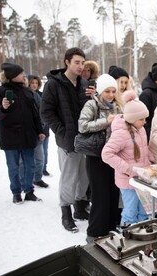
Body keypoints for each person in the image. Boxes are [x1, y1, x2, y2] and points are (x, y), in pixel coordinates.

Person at [41, 47, 92, 233]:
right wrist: (61, 131)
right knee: (69, 177)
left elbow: (88, 109)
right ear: (67, 62)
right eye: (77, 62)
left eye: (83, 63)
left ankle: (79, 208)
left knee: (84, 176)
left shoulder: (84, 83)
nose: (80, 66)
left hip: (84, 140)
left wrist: (93, 98)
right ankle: (66, 213)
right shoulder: (54, 84)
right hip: (67, 141)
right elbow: (46, 111)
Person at [0, 62, 45, 204]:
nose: (24, 75)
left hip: (28, 136)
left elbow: (35, 115)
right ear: (12, 76)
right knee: (14, 167)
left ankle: (29, 191)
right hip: (9, 138)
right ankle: (16, 192)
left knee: (30, 165)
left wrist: (40, 130)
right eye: (21, 73)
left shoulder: (27, 91)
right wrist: (3, 107)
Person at [78, 74, 123, 242]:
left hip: (113, 156)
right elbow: (82, 126)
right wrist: (106, 121)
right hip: (96, 157)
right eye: (107, 91)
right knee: (99, 196)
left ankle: (110, 229)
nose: (111, 95)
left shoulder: (118, 106)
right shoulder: (92, 104)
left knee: (113, 194)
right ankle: (94, 232)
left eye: (113, 91)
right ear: (100, 91)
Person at [102, 91, 155, 226]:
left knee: (145, 210)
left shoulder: (140, 129)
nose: (145, 122)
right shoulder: (120, 133)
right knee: (130, 211)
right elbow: (106, 154)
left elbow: (143, 149)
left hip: (142, 179)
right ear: (132, 119)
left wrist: (152, 161)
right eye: (142, 119)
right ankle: (126, 237)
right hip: (128, 181)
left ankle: (142, 235)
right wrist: (126, 168)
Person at [139, 62, 157, 143]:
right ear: (156, 78)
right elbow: (143, 119)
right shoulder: (146, 94)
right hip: (151, 135)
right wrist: (150, 135)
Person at [28, 75, 51, 177]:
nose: (34, 85)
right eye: (32, 83)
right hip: (35, 129)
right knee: (36, 153)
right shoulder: (27, 95)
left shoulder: (42, 95)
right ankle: (35, 173)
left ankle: (43, 169)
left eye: (36, 83)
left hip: (45, 128)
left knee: (44, 151)